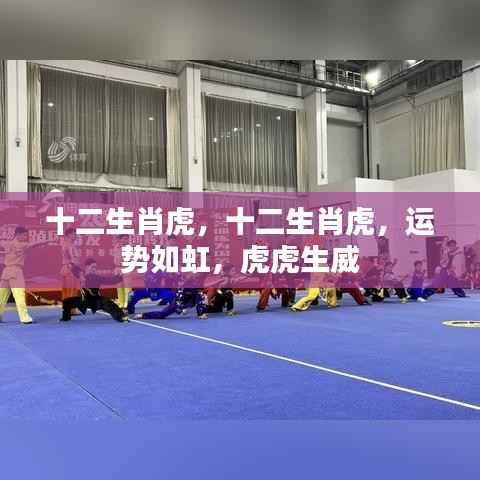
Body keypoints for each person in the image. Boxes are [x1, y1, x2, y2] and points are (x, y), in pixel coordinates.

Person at [0, 226, 53, 324]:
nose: (26, 237)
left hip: (6, 272)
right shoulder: (23, 245)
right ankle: (24, 318)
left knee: (1, 297)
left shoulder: (6, 243)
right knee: (19, 295)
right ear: (18, 234)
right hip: (16, 272)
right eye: (24, 235)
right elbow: (35, 244)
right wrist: (48, 240)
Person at [60, 258, 128, 322]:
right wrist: (70, 263)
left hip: (95, 300)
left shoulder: (96, 277)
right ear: (87, 267)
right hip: (83, 300)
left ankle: (121, 317)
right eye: (92, 267)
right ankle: (66, 317)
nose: (94, 269)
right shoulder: (81, 274)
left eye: (95, 267)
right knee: (67, 302)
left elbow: (110, 280)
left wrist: (119, 277)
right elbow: (74, 268)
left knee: (110, 304)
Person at [133, 288, 208, 320]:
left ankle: (201, 313)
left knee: (202, 297)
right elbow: (178, 300)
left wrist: (201, 313)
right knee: (162, 314)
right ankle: (143, 315)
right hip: (182, 298)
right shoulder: (182, 288)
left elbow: (201, 296)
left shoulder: (199, 287)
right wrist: (180, 308)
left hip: (194, 296)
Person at [61, 227, 82, 316]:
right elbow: (74, 259)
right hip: (71, 268)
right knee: (72, 290)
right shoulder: (70, 245)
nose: (75, 236)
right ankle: (72, 309)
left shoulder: (65, 244)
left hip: (66, 268)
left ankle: (68, 308)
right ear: (68, 235)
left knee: (67, 290)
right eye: (74, 234)